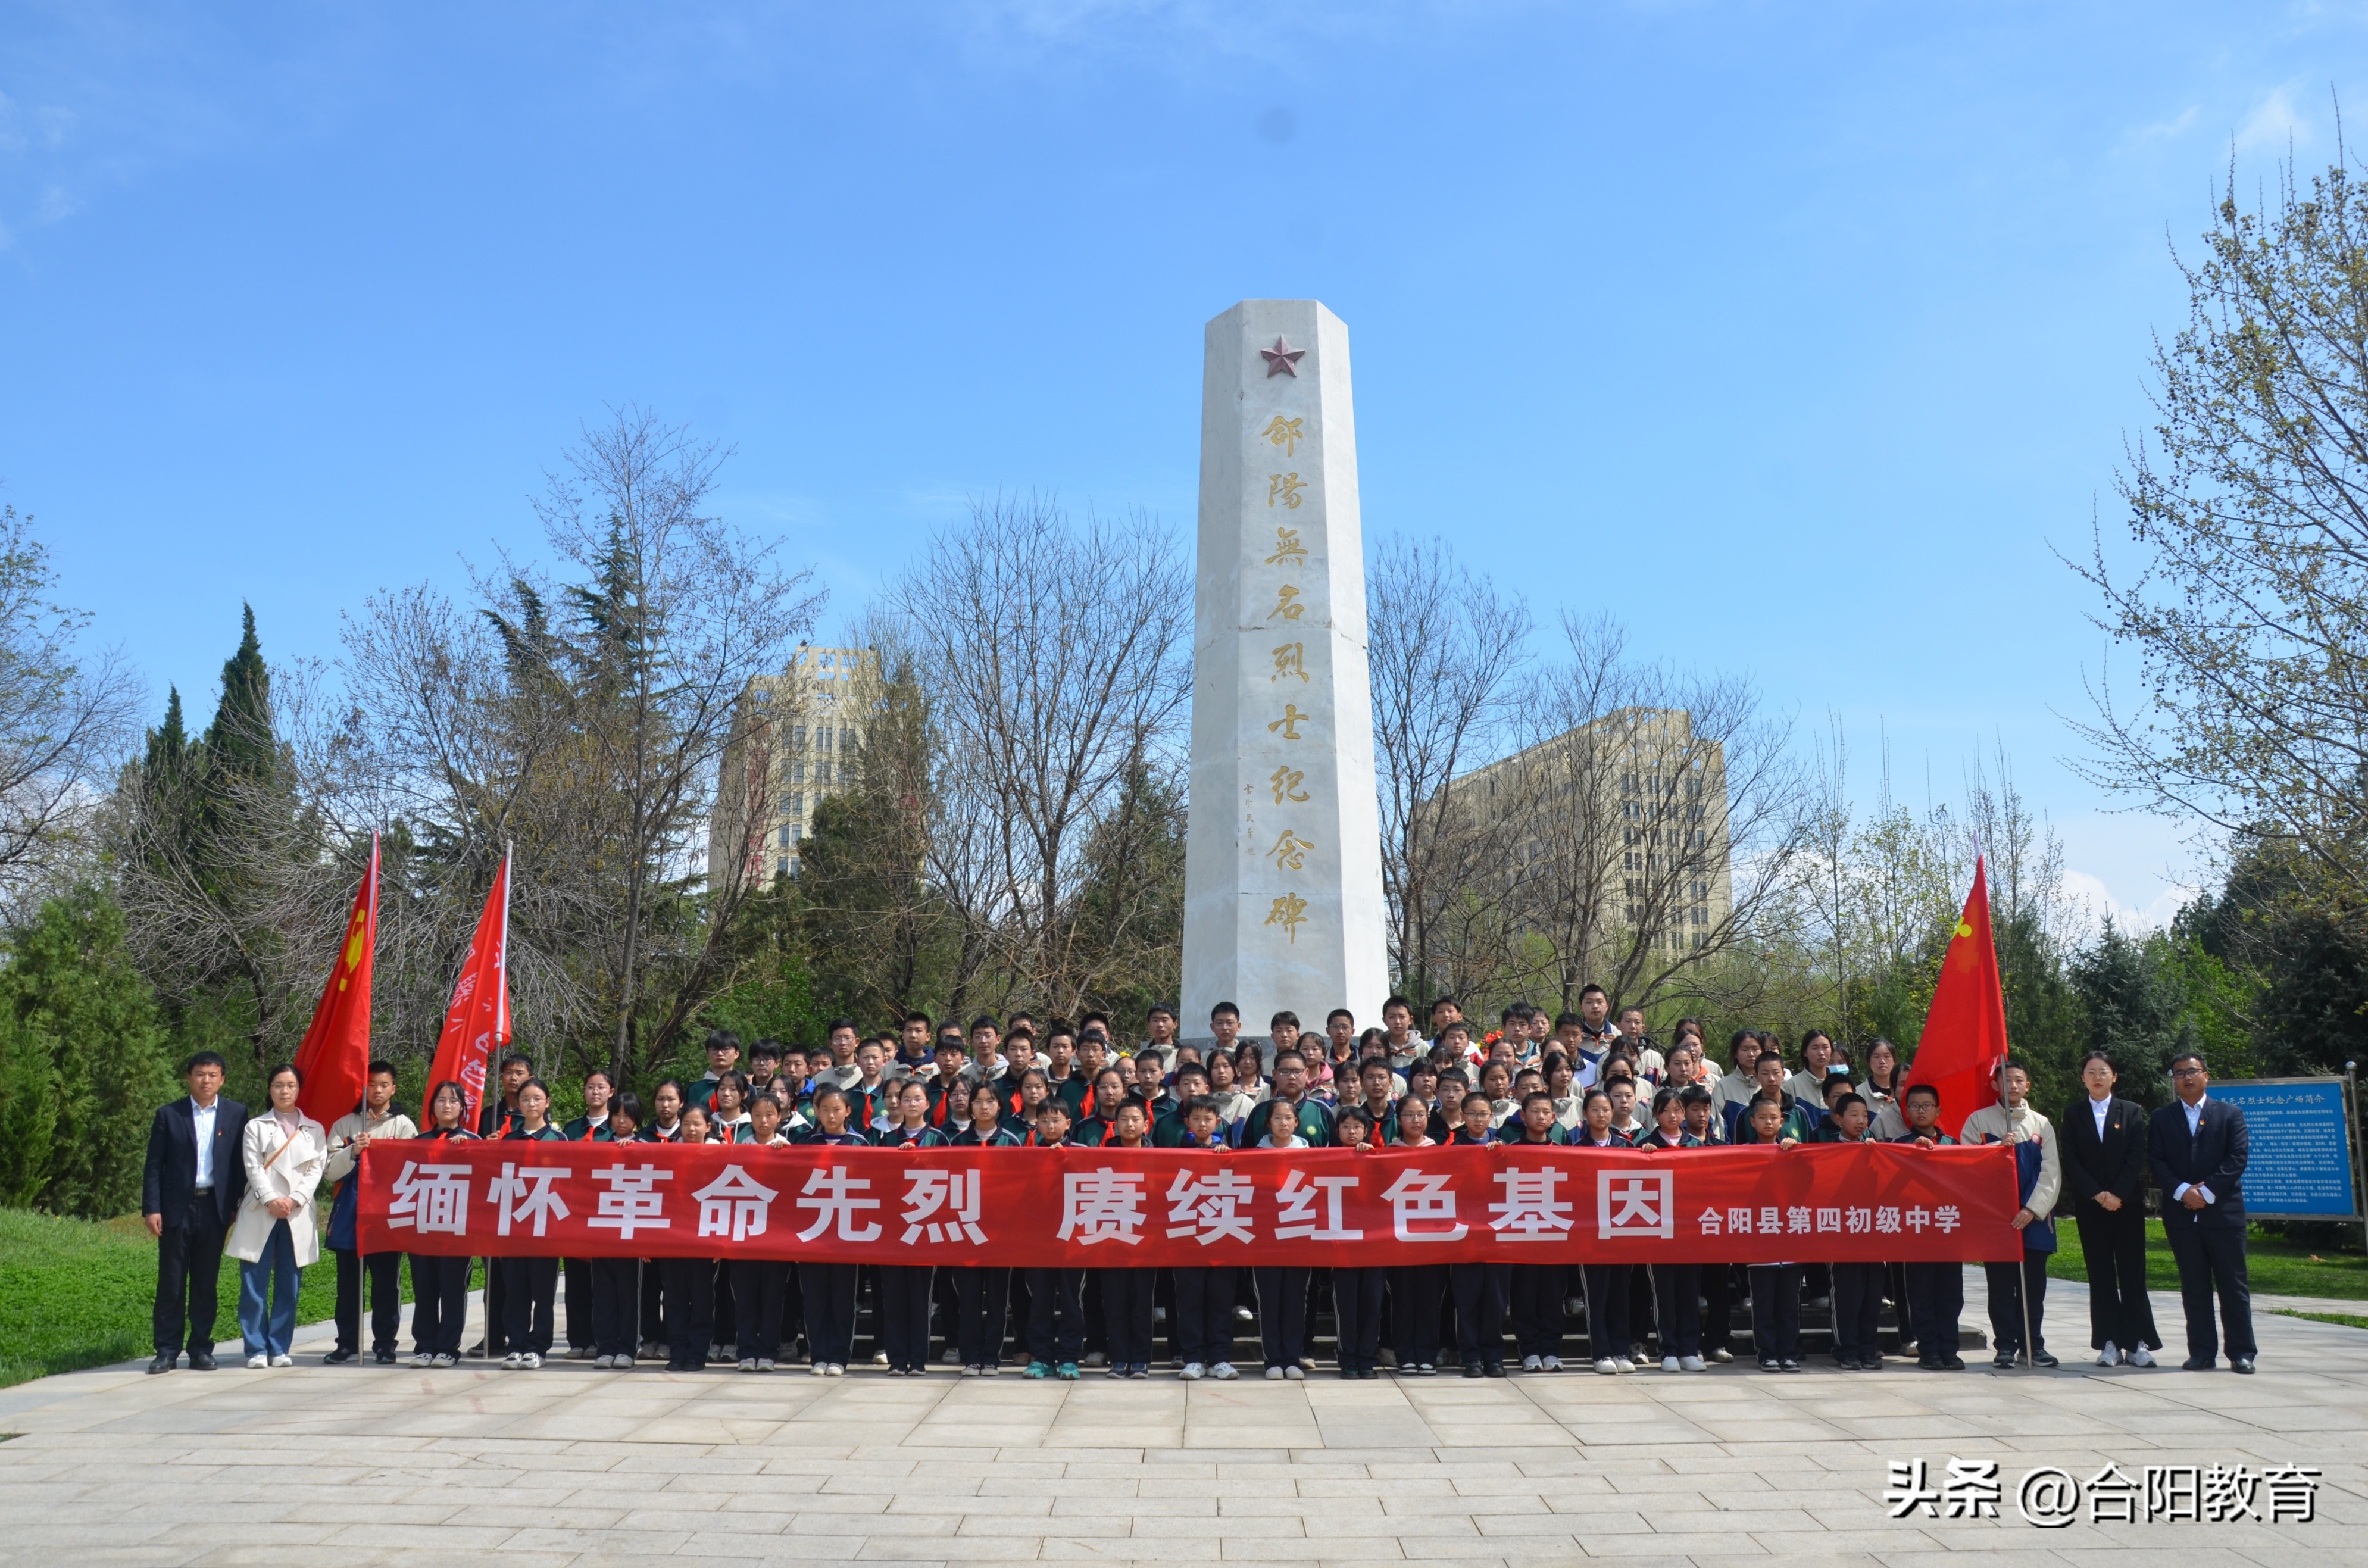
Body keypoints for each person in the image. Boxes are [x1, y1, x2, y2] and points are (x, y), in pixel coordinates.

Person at [2148, 1051, 2256, 1373]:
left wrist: (2206, 1193)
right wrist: (2184, 1192)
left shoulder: (2229, 1114)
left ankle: (2241, 1352)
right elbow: (2157, 1162)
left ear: (2206, 1075)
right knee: (2194, 1286)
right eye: (2179, 1073)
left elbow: (2237, 1159)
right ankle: (2202, 1352)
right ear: (2174, 1080)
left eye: (2193, 1071)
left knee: (2232, 1285)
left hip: (2224, 1214)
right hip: (2182, 1215)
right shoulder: (2162, 1118)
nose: (2187, 1077)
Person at [143, 1051, 250, 1374]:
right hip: (176, 1208)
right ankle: (166, 1350)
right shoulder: (169, 1115)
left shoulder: (236, 1113)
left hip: (214, 1207)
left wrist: (233, 1206)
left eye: (213, 1075)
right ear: (189, 1077)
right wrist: (152, 1208)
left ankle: (201, 1348)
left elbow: (238, 1166)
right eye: (200, 1074)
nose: (206, 1081)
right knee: (172, 1281)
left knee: (206, 1282)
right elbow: (153, 1166)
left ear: (222, 1079)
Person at [2061, 1051, 2161, 1368]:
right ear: (2083, 1078)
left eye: (2103, 1072)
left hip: (2127, 1205)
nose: (2097, 1077)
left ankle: (2136, 1342)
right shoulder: (2073, 1114)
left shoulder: (2130, 1111)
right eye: (2090, 1072)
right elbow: (2072, 1159)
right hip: (2091, 1206)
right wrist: (2098, 1194)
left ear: (2114, 1077)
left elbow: (2136, 1156)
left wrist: (2117, 1193)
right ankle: (2109, 1342)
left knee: (2133, 1274)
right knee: (2100, 1275)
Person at [227, 1064, 328, 1369]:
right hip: (262, 1210)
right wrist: (271, 1199)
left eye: (291, 1085)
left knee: (289, 1284)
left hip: (296, 1214)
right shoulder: (256, 1126)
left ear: (299, 1089)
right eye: (278, 1085)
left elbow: (316, 1170)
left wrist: (295, 1200)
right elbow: (252, 1166)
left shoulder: (315, 1130)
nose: (285, 1091)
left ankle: (279, 1347)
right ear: (269, 1089)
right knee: (253, 1286)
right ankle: (256, 1348)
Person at [1962, 1061, 2061, 1369]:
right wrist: (1994, 1148)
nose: (2014, 1086)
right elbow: (1965, 1164)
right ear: (1996, 1086)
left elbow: (2051, 1171)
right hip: (1997, 1219)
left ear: (2028, 1086)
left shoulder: (2041, 1124)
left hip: (2033, 1218)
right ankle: (2005, 1344)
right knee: (2002, 1286)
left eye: (2019, 1080)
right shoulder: (1978, 1122)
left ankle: (2034, 1343)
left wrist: (2032, 1210)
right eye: (2007, 1081)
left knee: (2033, 1285)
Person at [323, 1060, 417, 1365]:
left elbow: (413, 1169)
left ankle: (385, 1343)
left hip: (387, 1215)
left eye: (384, 1084)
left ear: (393, 1088)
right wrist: (352, 1152)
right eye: (372, 1084)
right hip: (351, 1213)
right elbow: (329, 1172)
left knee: (386, 1283)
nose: (377, 1090)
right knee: (349, 1284)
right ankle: (347, 1342)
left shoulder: (403, 1125)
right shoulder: (345, 1124)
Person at [874, 1080, 947, 1375]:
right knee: (893, 1299)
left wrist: (919, 1161)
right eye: (907, 1099)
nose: (912, 1104)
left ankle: (918, 1360)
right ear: (898, 1105)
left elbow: (948, 1179)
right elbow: (877, 1182)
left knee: (920, 1299)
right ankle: (896, 1359)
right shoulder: (886, 1140)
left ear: (927, 1104)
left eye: (918, 1099)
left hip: (925, 1229)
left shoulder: (939, 1139)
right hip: (893, 1229)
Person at [796, 1086, 869, 1376]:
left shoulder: (859, 1144)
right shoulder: (805, 1143)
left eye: (836, 1109)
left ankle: (839, 1356)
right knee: (814, 1299)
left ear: (848, 1112)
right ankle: (818, 1355)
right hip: (813, 1233)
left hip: (846, 1235)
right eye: (824, 1109)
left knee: (842, 1299)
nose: (830, 1115)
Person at [1892, 1083, 1965, 1371]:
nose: (1921, 1111)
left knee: (1950, 1295)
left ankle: (1950, 1349)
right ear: (1907, 1111)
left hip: (1948, 1230)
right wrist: (1913, 1154)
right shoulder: (1898, 1144)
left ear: (1938, 1110)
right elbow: (1891, 1186)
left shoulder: (1953, 1145)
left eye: (1927, 1106)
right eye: (1915, 1106)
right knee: (1920, 1294)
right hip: (1916, 1232)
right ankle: (1929, 1350)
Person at [1170, 1096, 1243, 1381]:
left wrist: (1229, 1157)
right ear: (1187, 1122)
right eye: (1197, 1118)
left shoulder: (1229, 1152)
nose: (1203, 1124)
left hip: (1223, 1235)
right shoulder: (1176, 1151)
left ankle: (1221, 1358)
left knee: (1221, 1301)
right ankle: (1193, 1358)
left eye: (1208, 1119)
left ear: (1217, 1122)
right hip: (1187, 1237)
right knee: (1189, 1300)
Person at [497, 1077, 567, 1369]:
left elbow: (568, 1184)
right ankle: (515, 1344)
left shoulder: (559, 1140)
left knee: (542, 1293)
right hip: (514, 1226)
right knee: (515, 1291)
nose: (532, 1104)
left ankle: (538, 1347)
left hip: (545, 1226)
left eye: (537, 1098)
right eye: (526, 1099)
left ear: (547, 1102)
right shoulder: (508, 1141)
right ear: (519, 1104)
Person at [407, 1082, 477, 1367]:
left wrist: (469, 1151)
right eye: (441, 1100)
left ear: (462, 1108)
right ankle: (424, 1344)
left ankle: (448, 1347)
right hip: (423, 1228)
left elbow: (486, 1180)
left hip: (456, 1230)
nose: (447, 1106)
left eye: (453, 1101)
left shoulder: (474, 1140)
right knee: (424, 1290)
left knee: (452, 1290)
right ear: (432, 1106)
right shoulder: (419, 1141)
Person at [1246, 1098, 1312, 1380]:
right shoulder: (1255, 1155)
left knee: (1296, 1301)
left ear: (1296, 1123)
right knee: (1270, 1301)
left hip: (1299, 1238)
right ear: (1268, 1123)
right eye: (1277, 1118)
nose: (1283, 1123)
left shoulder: (1312, 1155)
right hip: (1266, 1241)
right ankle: (1272, 1359)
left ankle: (1292, 1358)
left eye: (1289, 1118)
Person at [1020, 1097, 1085, 1379]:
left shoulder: (1083, 1152)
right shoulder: (1027, 1155)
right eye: (1044, 1120)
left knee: (1072, 1301)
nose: (1050, 1125)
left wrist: (1065, 1159)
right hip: (1038, 1243)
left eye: (1055, 1120)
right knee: (1040, 1301)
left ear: (1068, 1123)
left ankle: (1070, 1358)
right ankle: (1042, 1357)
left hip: (1073, 1242)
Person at [1738, 1094, 1803, 1372]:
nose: (1768, 1122)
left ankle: (1789, 1351)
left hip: (1790, 1239)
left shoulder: (1794, 1152)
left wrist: (1797, 1152)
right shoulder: (1742, 1154)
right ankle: (1767, 1353)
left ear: (1782, 1122)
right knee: (1763, 1304)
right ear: (1752, 1122)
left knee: (1789, 1303)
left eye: (1773, 1117)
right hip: (1759, 1240)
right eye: (1762, 1117)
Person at [557, 1068, 618, 1361]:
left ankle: (601, 1337)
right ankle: (578, 1339)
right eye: (590, 1086)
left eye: (601, 1087)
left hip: (606, 1210)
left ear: (612, 1092)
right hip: (575, 1212)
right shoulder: (570, 1130)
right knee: (576, 1280)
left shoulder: (618, 1128)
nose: (595, 1092)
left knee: (603, 1281)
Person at [589, 1092, 645, 1368]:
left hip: (632, 1233)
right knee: (603, 1294)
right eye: (616, 1115)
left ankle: (627, 1347)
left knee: (628, 1294)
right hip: (602, 1230)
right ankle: (605, 1347)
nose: (621, 1121)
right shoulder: (597, 1146)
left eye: (627, 1115)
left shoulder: (646, 1146)